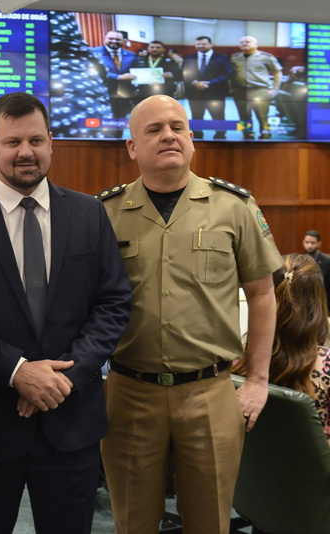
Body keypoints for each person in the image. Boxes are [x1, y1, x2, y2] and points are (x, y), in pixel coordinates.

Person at [0, 92, 132, 534]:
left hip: (70, 422)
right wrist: (18, 371)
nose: (26, 152)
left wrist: (63, 379)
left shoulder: (90, 213)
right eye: (13, 141)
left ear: (51, 143)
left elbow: (113, 303)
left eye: (36, 140)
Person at [98, 95, 282, 534]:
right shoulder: (104, 213)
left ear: (192, 138)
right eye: (154, 129)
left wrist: (258, 380)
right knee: (132, 522)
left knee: (211, 522)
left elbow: (262, 293)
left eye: (177, 127)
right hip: (129, 392)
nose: (169, 136)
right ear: (132, 147)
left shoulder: (234, 206)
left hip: (210, 393)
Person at [232, 253, 330, 444]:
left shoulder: (239, 357)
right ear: (317, 302)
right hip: (312, 463)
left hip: (250, 461)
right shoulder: (326, 365)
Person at [231, 35, 283, 140]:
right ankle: (247, 134)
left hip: (259, 90)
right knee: (243, 116)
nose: (244, 44)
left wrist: (274, 90)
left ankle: (265, 134)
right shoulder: (234, 57)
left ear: (256, 44)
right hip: (240, 90)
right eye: (242, 42)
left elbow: (277, 73)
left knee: (262, 116)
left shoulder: (267, 57)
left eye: (247, 42)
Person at [182, 36, 232, 139]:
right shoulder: (188, 58)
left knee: (218, 116)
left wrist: (210, 83)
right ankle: (198, 136)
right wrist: (195, 82)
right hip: (195, 93)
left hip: (216, 93)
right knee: (196, 116)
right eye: (198, 44)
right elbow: (183, 73)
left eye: (203, 44)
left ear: (211, 45)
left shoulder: (222, 57)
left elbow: (228, 74)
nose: (200, 46)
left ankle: (220, 136)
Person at [90, 29, 138, 120]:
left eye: (118, 39)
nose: (114, 41)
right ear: (104, 38)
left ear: (124, 41)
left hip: (125, 96)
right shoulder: (93, 52)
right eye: (111, 38)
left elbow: (137, 72)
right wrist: (118, 77)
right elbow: (93, 72)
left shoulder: (131, 55)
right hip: (102, 94)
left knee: (121, 121)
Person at [302, 229, 330, 305]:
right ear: (303, 242)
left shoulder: (327, 261)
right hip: (305, 302)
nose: (309, 246)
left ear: (319, 244)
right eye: (307, 242)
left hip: (323, 302)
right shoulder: (301, 261)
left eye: (312, 243)